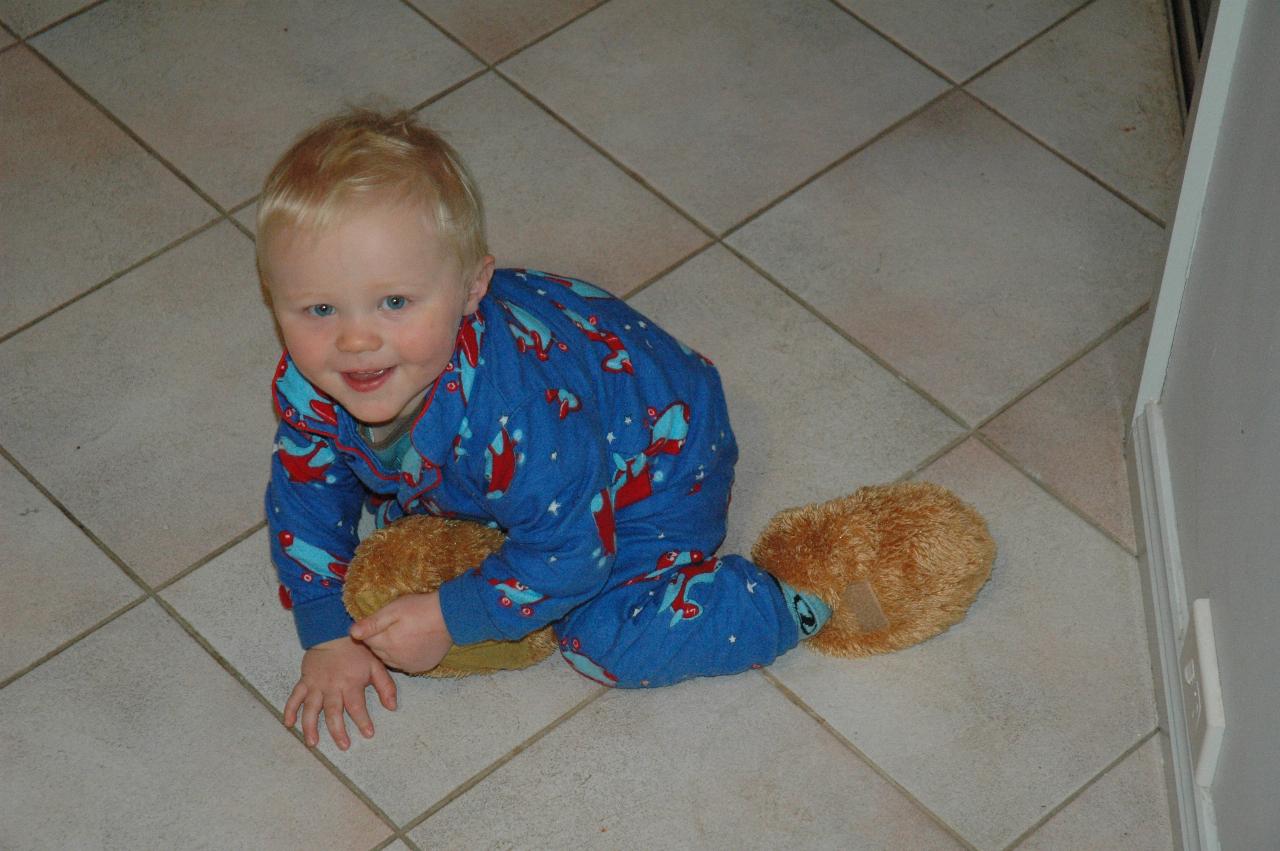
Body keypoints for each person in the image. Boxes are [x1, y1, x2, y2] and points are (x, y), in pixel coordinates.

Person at [260, 109, 832, 751]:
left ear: (473, 286)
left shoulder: (519, 419)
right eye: (318, 309)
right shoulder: (311, 385)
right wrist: (327, 632)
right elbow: (305, 492)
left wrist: (455, 616)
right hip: (557, 425)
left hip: (660, 457)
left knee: (606, 638)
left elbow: (572, 557)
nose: (355, 340)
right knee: (408, 532)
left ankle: (793, 600)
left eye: (395, 302)